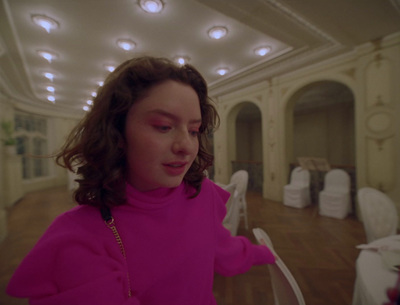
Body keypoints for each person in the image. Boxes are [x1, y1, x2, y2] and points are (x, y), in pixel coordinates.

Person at [7, 56, 275, 304]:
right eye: (163, 126)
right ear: (116, 132)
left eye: (194, 130)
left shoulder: (201, 193)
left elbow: (221, 249)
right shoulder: (78, 239)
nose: (186, 146)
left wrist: (265, 252)